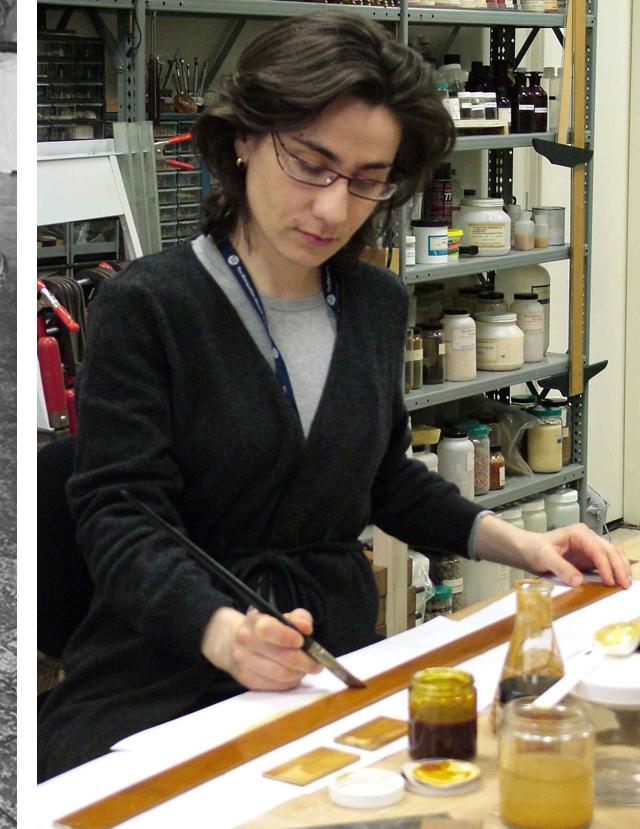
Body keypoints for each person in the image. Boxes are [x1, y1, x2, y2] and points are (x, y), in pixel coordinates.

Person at [36, 12, 632, 781]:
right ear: (245, 137)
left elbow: (383, 477)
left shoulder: (376, 302)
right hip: (167, 665)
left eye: (365, 181)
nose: (330, 208)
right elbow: (118, 513)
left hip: (330, 656)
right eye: (309, 164)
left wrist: (524, 547)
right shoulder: (151, 306)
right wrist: (221, 630)